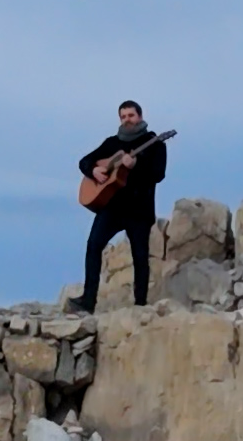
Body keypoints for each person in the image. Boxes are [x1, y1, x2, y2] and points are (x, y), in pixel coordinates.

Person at [71, 102, 170, 312]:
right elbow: (84, 161)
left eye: (130, 115)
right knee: (93, 246)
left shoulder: (155, 144)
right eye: (123, 116)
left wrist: (136, 165)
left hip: (139, 209)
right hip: (112, 207)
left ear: (140, 116)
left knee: (140, 257)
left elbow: (158, 174)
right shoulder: (112, 143)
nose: (127, 120)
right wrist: (94, 170)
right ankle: (88, 301)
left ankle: (140, 305)